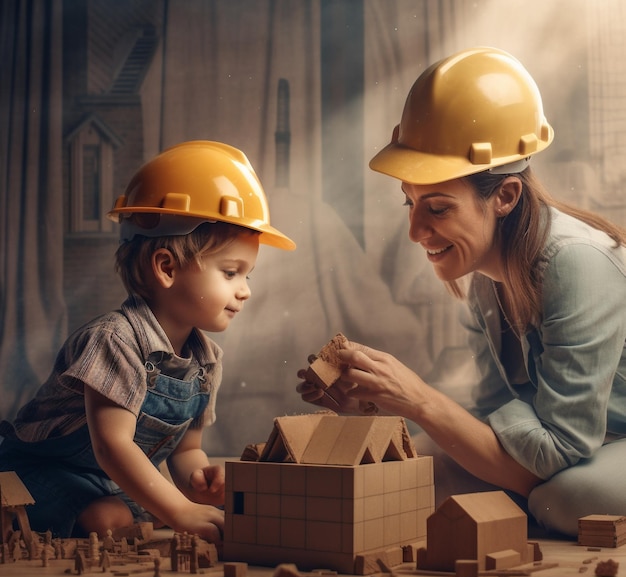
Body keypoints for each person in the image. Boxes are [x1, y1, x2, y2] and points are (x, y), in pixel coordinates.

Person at [297, 47, 626, 538]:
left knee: (566, 498)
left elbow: (554, 452)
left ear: (505, 197)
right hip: (576, 450)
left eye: (438, 208)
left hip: (597, 447)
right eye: (408, 202)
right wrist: (380, 399)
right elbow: (494, 419)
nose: (414, 231)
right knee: (420, 469)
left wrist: (421, 402)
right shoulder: (483, 282)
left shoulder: (576, 264)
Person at [0, 140, 295, 542]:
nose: (245, 291)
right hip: (42, 471)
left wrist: (199, 483)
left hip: (115, 480)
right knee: (108, 521)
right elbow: (112, 447)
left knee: (136, 514)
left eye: (248, 275)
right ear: (166, 267)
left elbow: (185, 450)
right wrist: (179, 511)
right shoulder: (113, 341)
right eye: (231, 273)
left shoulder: (205, 363)